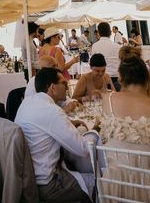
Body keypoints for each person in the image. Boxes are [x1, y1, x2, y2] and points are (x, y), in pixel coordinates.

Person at [15, 67, 96, 202]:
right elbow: (83, 149)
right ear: (52, 88)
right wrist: (94, 132)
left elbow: (47, 126)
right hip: (48, 185)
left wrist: (70, 123)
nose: (67, 86)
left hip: (28, 178)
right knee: (99, 182)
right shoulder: (52, 111)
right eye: (64, 84)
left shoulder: (27, 103)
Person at [90, 22, 120, 90]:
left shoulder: (95, 46)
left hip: (100, 81)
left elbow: (92, 64)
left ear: (99, 33)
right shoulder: (118, 47)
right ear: (110, 33)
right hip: (116, 80)